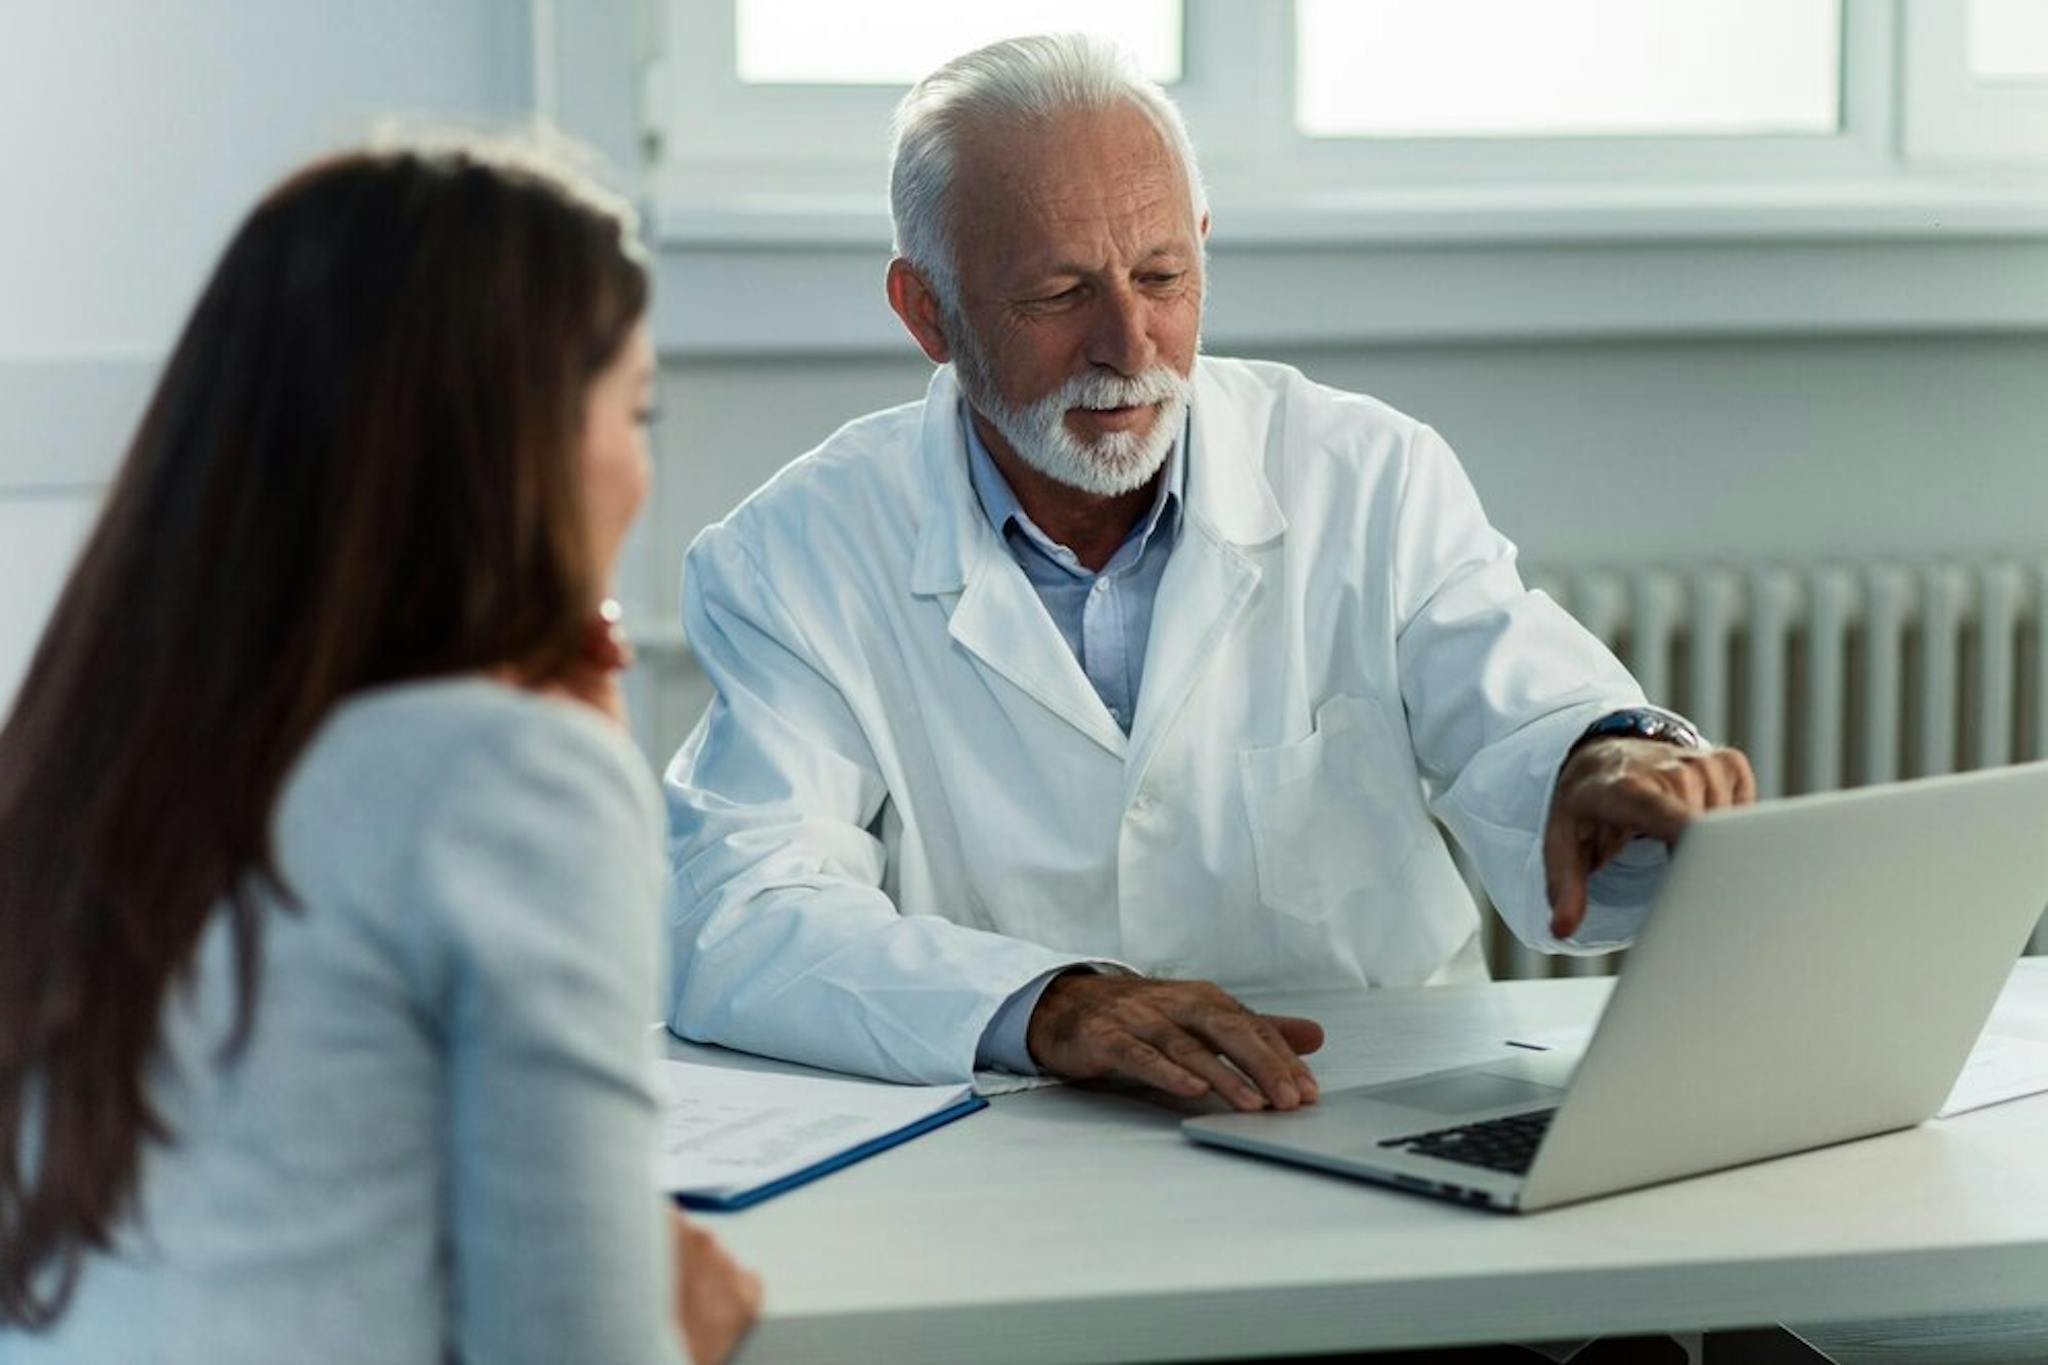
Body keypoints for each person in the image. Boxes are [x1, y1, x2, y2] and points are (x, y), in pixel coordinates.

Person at [664, 35, 1755, 1106]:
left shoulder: (1363, 474)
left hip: (1363, 1107)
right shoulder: (795, 557)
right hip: (1013, 1147)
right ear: (927, 313)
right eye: (1057, 294)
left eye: (1161, 276)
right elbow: (741, 914)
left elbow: (1525, 716)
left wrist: (1603, 761)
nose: (1129, 345)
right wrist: (1042, 1004)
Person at [0, 141, 758, 1364]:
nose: (637, 464)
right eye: (634, 408)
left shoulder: (92, 752)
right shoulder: (502, 780)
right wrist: (695, 1332)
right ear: (507, 448)